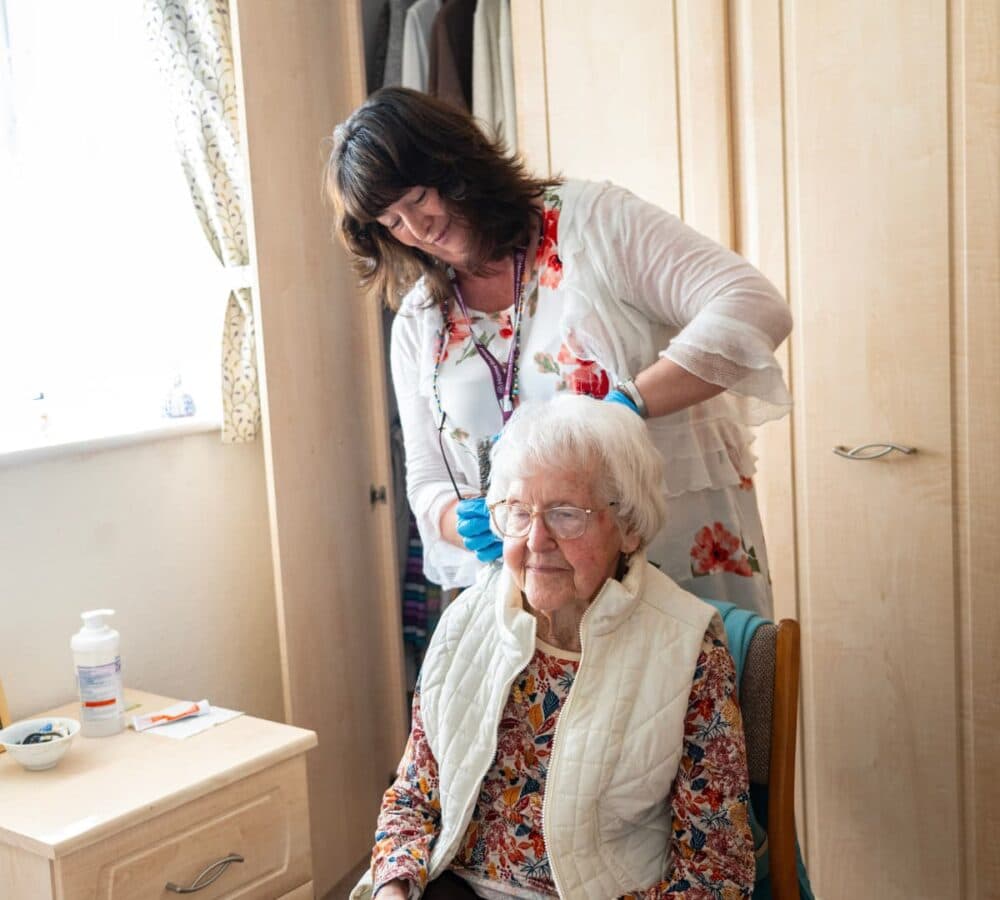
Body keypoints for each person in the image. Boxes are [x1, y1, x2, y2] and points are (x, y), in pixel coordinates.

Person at [327, 87, 792, 616]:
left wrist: (630, 403)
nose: (417, 229)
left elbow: (754, 305)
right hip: (541, 595)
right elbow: (427, 481)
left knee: (699, 691)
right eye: (391, 222)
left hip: (674, 556)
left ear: (453, 163)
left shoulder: (593, 225)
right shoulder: (419, 320)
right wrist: (466, 521)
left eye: (416, 199)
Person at [349, 395, 755, 900]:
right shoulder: (465, 624)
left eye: (565, 514)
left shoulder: (690, 653)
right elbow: (412, 798)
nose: (536, 540)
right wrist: (392, 888)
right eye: (518, 512)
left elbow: (718, 875)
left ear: (628, 526)